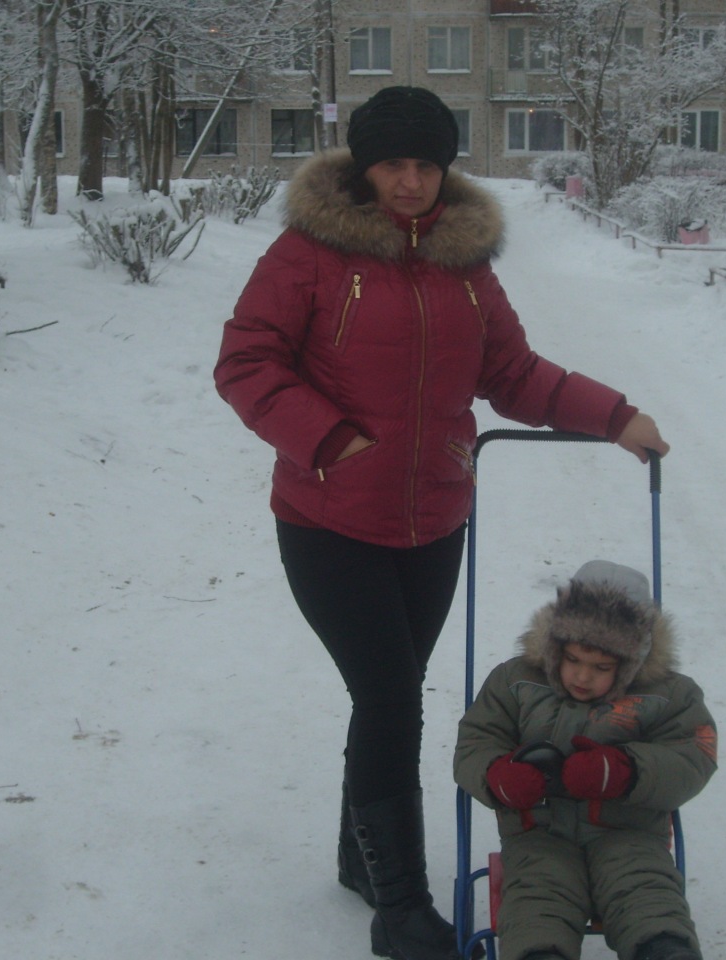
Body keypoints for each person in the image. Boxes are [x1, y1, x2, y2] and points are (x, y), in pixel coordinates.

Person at [214, 85, 670, 960]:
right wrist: (330, 439)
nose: (410, 181)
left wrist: (614, 418)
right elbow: (246, 361)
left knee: (387, 695)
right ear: (364, 167)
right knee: (390, 696)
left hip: (433, 524)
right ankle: (401, 907)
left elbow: (514, 373)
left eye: (426, 164)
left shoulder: (464, 263)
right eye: (393, 164)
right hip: (328, 520)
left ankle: (360, 859)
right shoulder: (310, 252)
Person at [454, 561, 717, 960]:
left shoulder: (668, 696)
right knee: (538, 898)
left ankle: (664, 949)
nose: (582, 677)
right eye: (573, 659)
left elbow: (693, 755)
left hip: (629, 831)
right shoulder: (516, 681)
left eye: (601, 668)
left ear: (632, 663)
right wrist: (497, 776)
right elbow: (476, 740)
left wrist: (626, 770)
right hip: (539, 834)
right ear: (555, 645)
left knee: (644, 890)